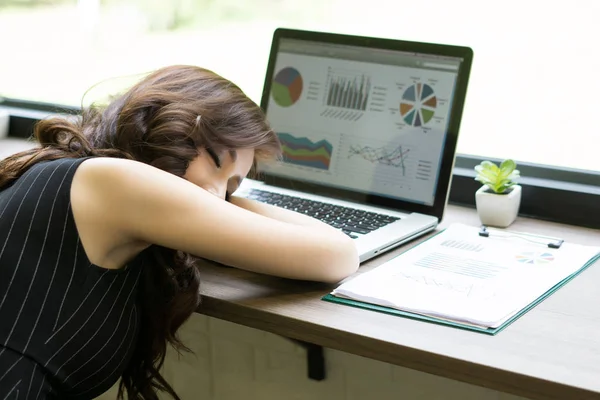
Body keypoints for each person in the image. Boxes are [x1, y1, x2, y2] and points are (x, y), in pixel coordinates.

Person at [0, 65, 359, 399]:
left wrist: (222, 195)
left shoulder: (81, 178)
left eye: (231, 187)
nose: (217, 195)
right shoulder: (117, 182)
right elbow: (338, 255)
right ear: (178, 127)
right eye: (218, 163)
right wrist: (226, 203)